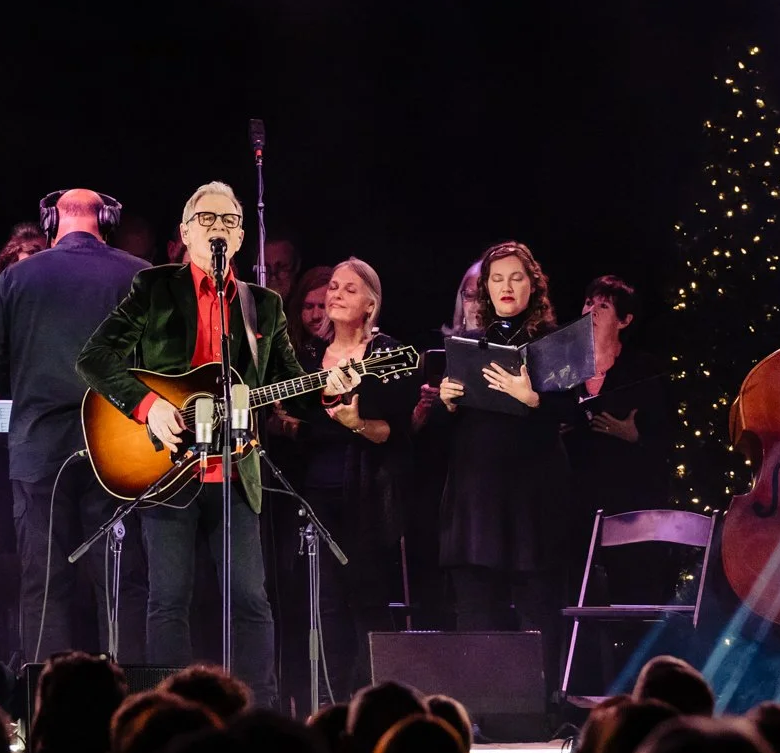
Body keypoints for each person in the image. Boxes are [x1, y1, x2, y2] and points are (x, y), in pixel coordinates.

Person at [77, 181, 357, 705]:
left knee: (251, 600)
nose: (218, 229)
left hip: (236, 469)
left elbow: (290, 391)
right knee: (168, 600)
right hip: (164, 466)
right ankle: (169, 711)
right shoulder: (154, 288)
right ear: (183, 234)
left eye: (229, 221)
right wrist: (150, 405)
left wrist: (328, 392)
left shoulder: (262, 306)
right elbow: (95, 359)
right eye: (206, 220)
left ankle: (260, 712)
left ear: (243, 235)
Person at [0, 190, 148, 664]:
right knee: (120, 580)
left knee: (44, 582)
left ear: (51, 221)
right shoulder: (137, 274)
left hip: (38, 447)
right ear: (106, 219)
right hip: (119, 447)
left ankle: (43, 706)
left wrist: (32, 377)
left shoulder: (17, 277)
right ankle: (132, 703)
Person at [267, 258, 417, 695]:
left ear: (371, 304)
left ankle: (377, 700)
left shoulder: (386, 353)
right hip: (315, 491)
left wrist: (355, 423)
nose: (334, 295)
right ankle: (332, 703)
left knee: (367, 599)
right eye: (333, 286)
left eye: (348, 289)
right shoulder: (309, 355)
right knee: (325, 604)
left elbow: (391, 431)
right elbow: (294, 417)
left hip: (367, 492)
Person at [435, 242, 573, 693]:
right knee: (476, 604)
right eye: (497, 279)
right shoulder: (469, 344)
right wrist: (447, 402)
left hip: (531, 495)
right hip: (477, 496)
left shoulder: (554, 342)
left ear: (533, 285)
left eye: (516, 277)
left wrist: (530, 397)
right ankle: (480, 707)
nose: (506, 287)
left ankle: (539, 708)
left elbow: (570, 411)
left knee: (537, 604)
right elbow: (444, 433)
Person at [558, 275, 673, 691]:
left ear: (624, 320)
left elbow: (667, 439)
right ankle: (577, 691)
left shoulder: (643, 370)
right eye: (588, 304)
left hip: (629, 502)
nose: (590, 312)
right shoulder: (563, 368)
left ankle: (641, 692)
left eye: (602, 307)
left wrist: (633, 436)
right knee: (575, 599)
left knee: (633, 599)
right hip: (574, 502)